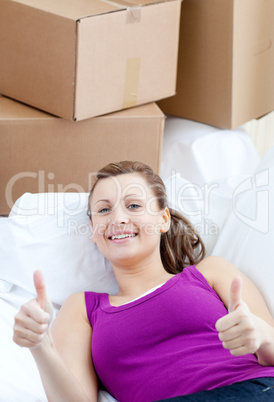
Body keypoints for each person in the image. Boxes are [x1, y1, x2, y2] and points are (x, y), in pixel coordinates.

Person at [13, 160, 274, 402]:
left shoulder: (211, 272)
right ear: (93, 230)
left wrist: (261, 336)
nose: (118, 219)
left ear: (163, 220)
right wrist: (41, 347)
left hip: (255, 389)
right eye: (104, 210)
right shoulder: (82, 308)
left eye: (134, 206)